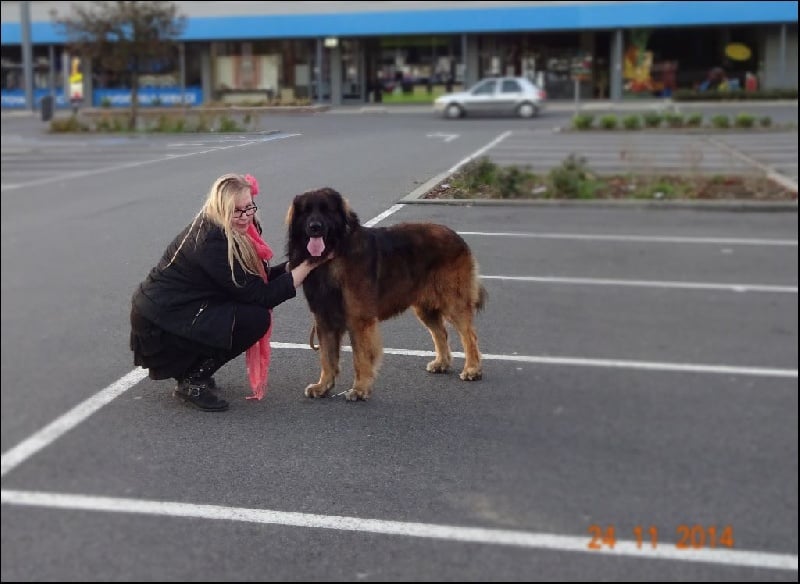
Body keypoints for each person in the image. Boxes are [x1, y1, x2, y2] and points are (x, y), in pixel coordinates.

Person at [129, 173, 326, 412]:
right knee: (254, 319)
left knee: (243, 313)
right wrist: (310, 264)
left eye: (248, 207)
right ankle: (192, 381)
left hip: (180, 308)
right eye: (236, 211)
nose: (245, 216)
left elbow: (254, 281)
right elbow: (262, 296)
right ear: (221, 209)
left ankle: (191, 370)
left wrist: (296, 264)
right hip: (160, 321)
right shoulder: (212, 241)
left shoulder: (237, 228)